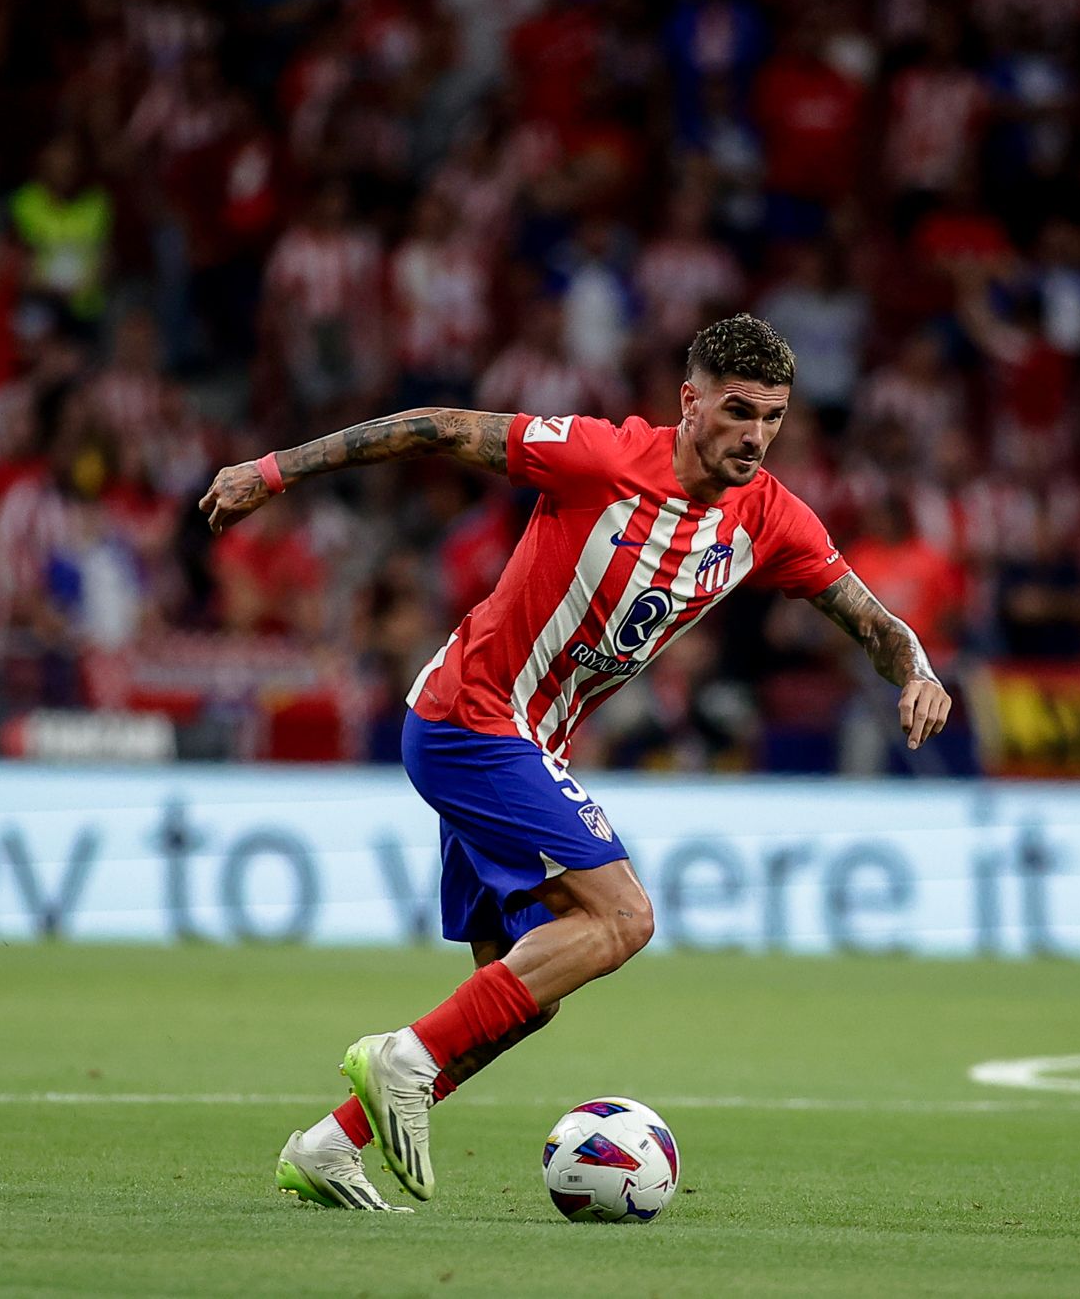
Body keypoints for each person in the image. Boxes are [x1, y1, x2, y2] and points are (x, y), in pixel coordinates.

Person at [197, 315, 951, 1211]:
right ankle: (403, 1058)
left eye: (772, 417)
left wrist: (917, 671)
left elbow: (871, 620)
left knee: (525, 990)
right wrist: (272, 470)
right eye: (737, 410)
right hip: (471, 720)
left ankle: (330, 1146)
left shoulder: (769, 516)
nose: (755, 435)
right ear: (690, 401)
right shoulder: (600, 458)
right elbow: (436, 426)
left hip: (518, 741)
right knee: (623, 918)